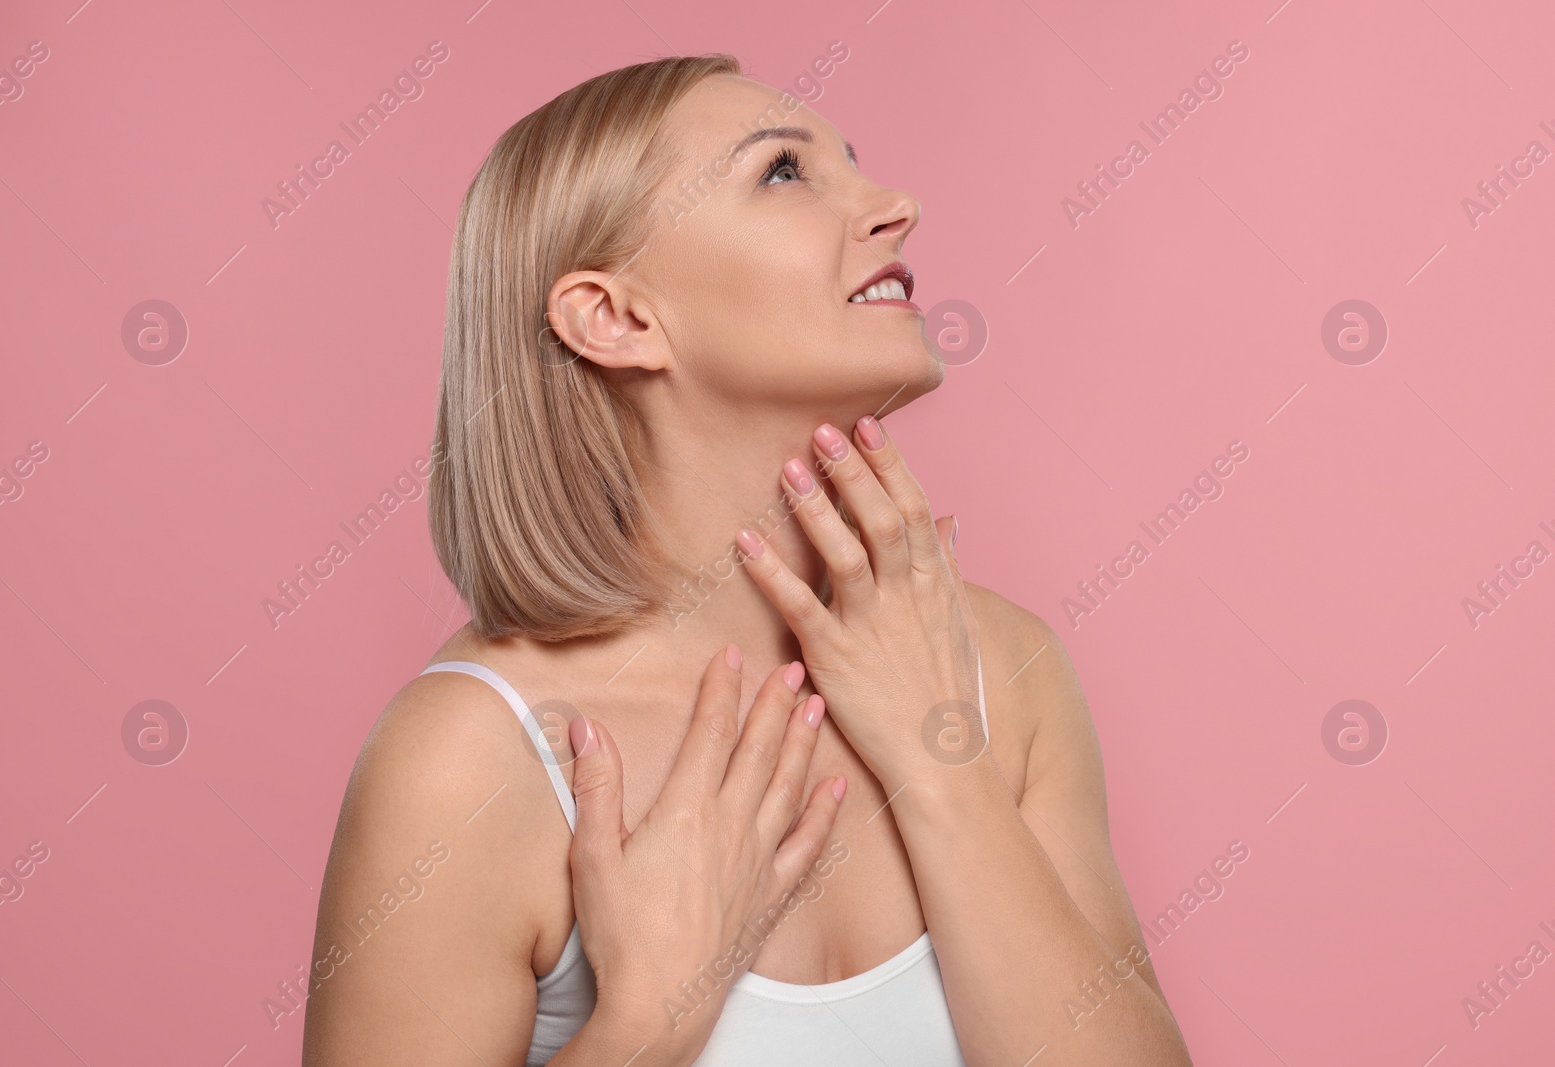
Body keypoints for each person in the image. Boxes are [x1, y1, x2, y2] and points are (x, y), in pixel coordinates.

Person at [303, 53, 1192, 1067]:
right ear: (618, 317)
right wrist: (646, 1021)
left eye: (851, 164)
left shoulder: (1000, 669)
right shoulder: (469, 760)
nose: (895, 204)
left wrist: (941, 767)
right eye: (782, 171)